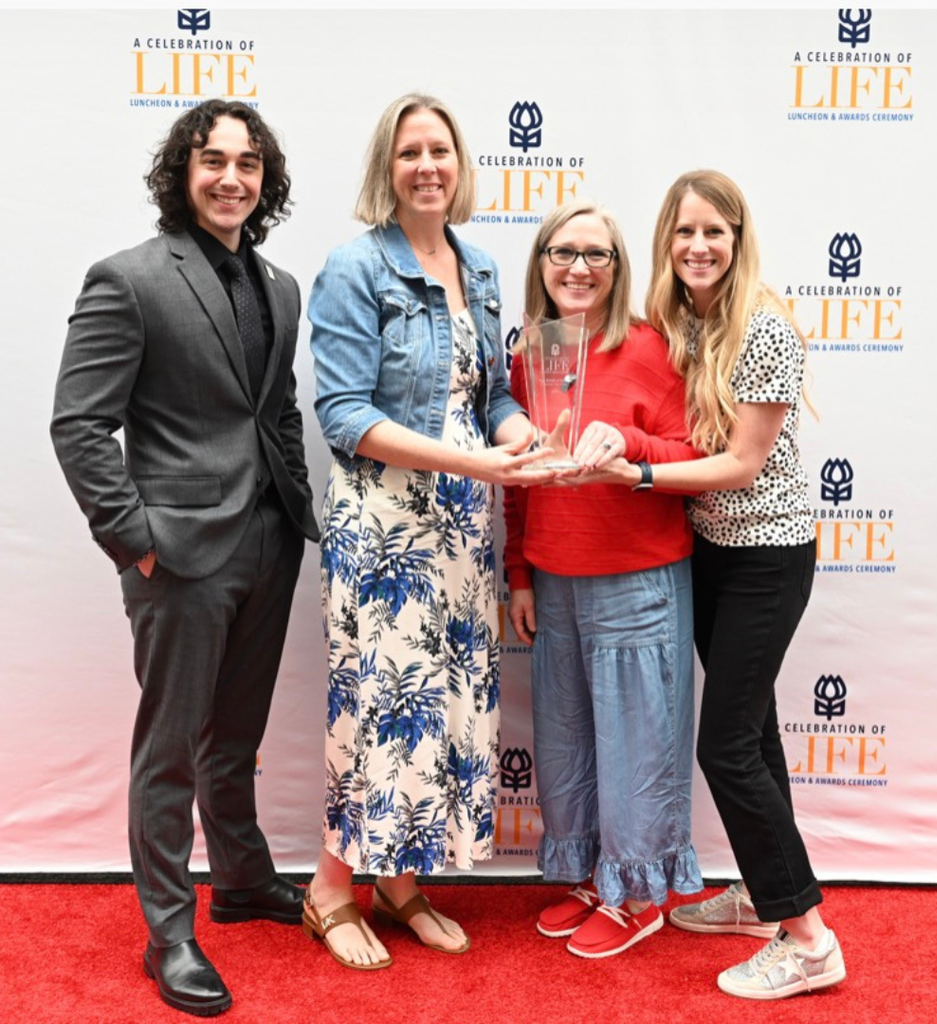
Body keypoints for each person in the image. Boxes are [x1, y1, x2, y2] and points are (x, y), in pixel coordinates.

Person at [50, 100, 319, 1016]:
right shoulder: (127, 280)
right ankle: (169, 930)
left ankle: (241, 878)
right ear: (183, 171)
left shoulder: (282, 286)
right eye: (213, 160)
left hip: (268, 543)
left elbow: (274, 411)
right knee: (169, 750)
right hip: (178, 555)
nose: (231, 178)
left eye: (248, 163)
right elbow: (78, 425)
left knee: (232, 739)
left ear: (265, 180)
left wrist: (296, 513)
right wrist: (136, 541)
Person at [577, 170, 845, 998]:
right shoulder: (677, 322)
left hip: (768, 554)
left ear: (738, 239)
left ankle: (808, 939)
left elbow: (741, 463)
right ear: (668, 241)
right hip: (711, 553)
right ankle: (771, 901)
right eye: (684, 232)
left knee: (723, 745)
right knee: (754, 736)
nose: (698, 247)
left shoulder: (761, 325)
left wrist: (640, 478)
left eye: (714, 233)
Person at [305, 93, 550, 970]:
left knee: (440, 704)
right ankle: (332, 887)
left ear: (461, 162)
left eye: (439, 150)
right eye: (409, 152)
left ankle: (401, 879)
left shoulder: (479, 267)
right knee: (377, 700)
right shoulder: (353, 267)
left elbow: (493, 400)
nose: (427, 166)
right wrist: (476, 462)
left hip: (463, 526)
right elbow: (341, 413)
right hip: (385, 523)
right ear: (388, 167)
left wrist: (521, 436)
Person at [503, 200, 703, 959]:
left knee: (638, 746)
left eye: (597, 254)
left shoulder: (652, 348)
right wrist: (519, 573)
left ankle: (643, 893)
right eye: (564, 252)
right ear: (542, 262)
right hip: (555, 578)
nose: (579, 267)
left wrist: (629, 443)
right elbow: (517, 481)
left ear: (619, 269)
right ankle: (598, 876)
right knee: (569, 745)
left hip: (636, 576)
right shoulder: (530, 354)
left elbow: (696, 457)